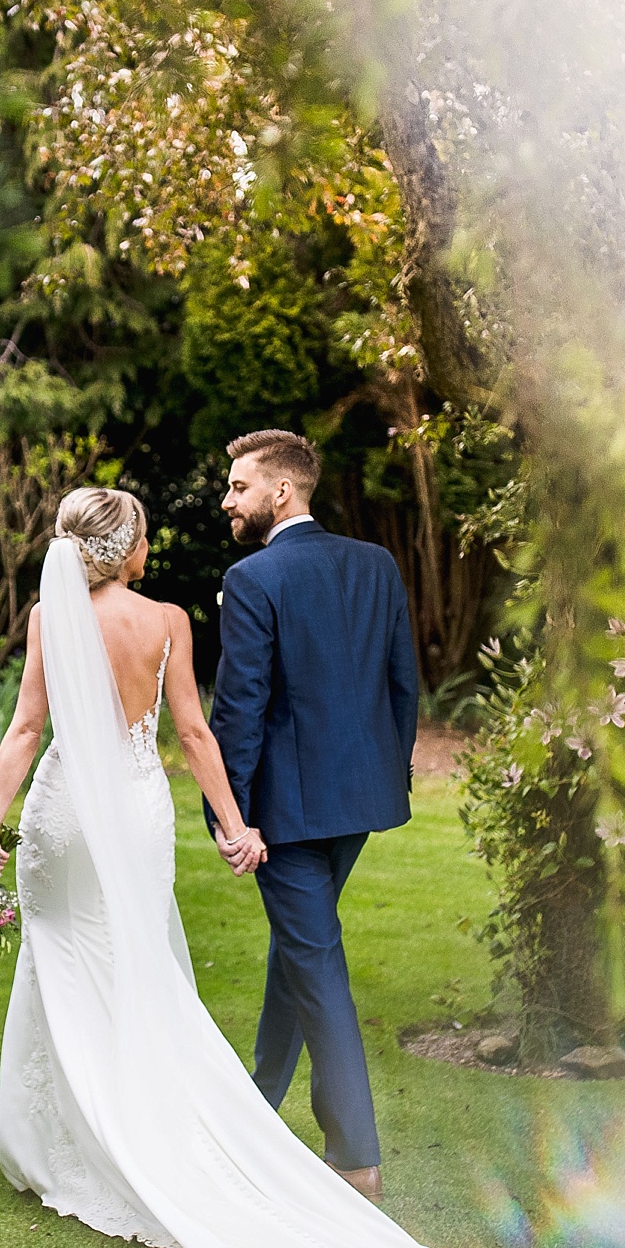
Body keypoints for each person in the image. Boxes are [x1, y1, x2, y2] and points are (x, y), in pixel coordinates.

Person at [0, 485, 575, 1248]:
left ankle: (58, 1144)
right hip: (136, 822)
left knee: (60, 964)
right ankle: (138, 1128)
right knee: (137, 971)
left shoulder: (46, 617)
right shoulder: (168, 619)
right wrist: (234, 823)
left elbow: (27, 729)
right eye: (146, 535)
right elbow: (194, 734)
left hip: (59, 819)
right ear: (129, 549)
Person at [207, 428, 415, 1204]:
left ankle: (356, 1157)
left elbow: (241, 711)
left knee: (315, 962)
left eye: (238, 487)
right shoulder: (377, 564)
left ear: (281, 492)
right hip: (356, 805)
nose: (227, 500)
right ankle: (257, 1105)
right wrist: (385, 777)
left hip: (284, 819)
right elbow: (403, 685)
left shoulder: (254, 578)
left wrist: (232, 818)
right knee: (300, 947)